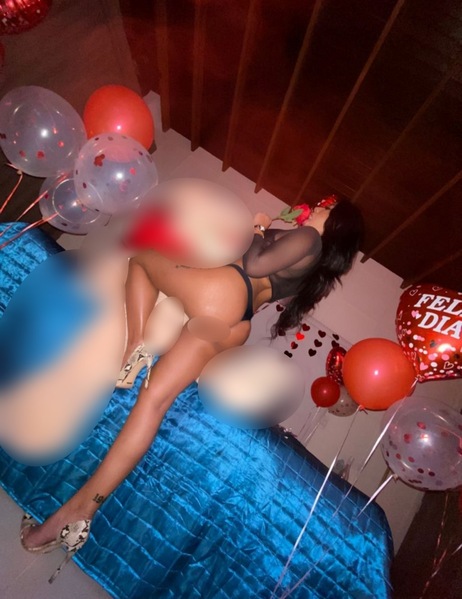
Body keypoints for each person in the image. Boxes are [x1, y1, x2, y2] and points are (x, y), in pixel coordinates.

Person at [20, 194, 364, 582]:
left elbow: (254, 264)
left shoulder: (309, 238)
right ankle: (78, 513)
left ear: (335, 222)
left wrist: (258, 227)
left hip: (225, 292)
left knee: (143, 261)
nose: (319, 206)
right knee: (153, 404)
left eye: (327, 207)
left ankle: (134, 348)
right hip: (237, 321)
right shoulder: (313, 263)